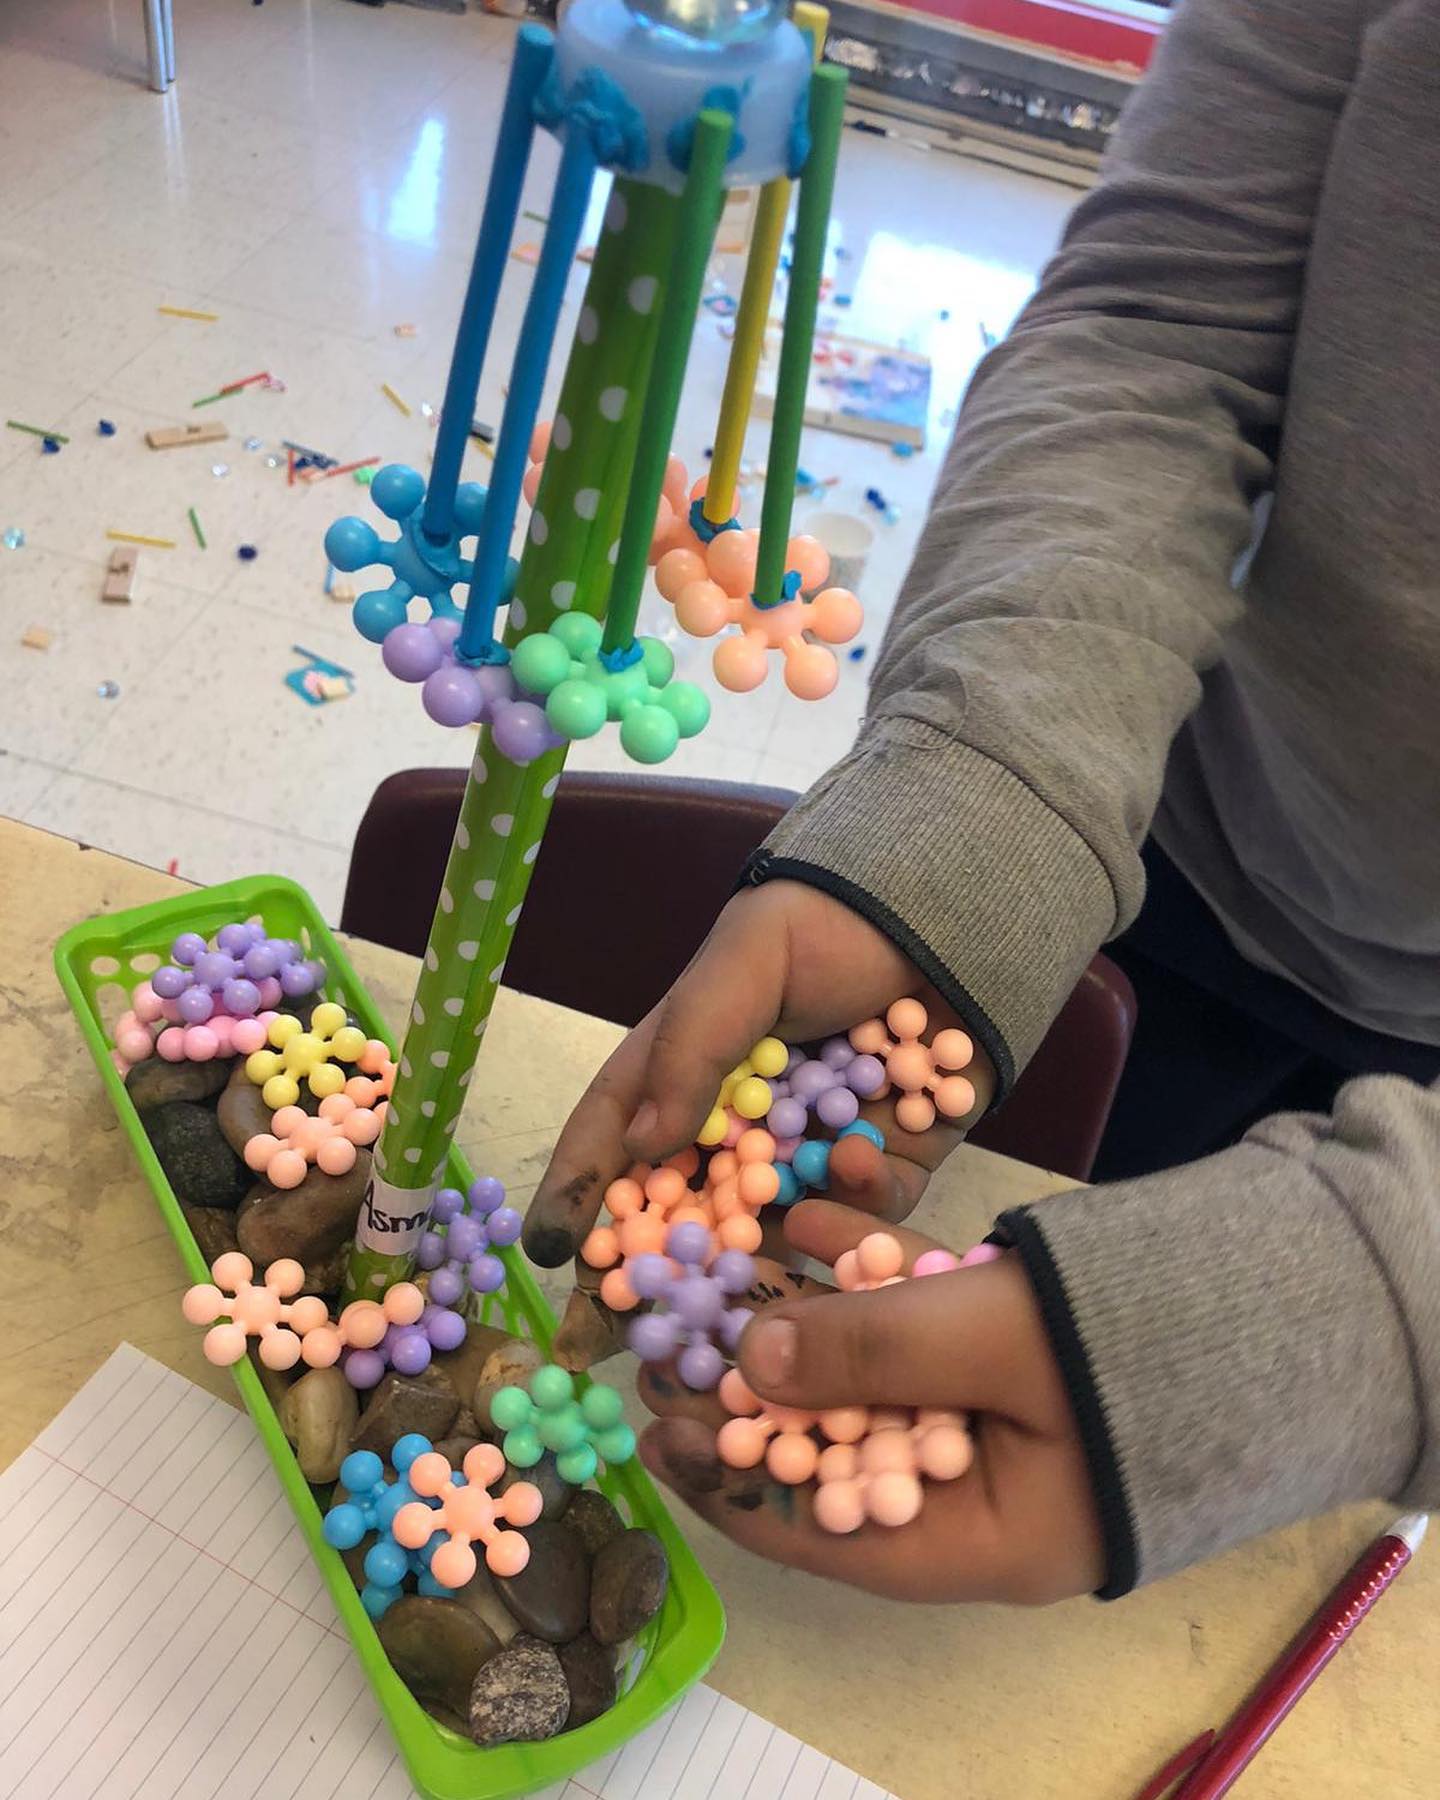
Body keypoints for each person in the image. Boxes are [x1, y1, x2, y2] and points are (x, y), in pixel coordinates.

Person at [523, 0, 1440, 1605]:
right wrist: (982, 812)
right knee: (1013, 1302)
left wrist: (1382, 1321)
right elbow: (1159, 334)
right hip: (1160, 840)